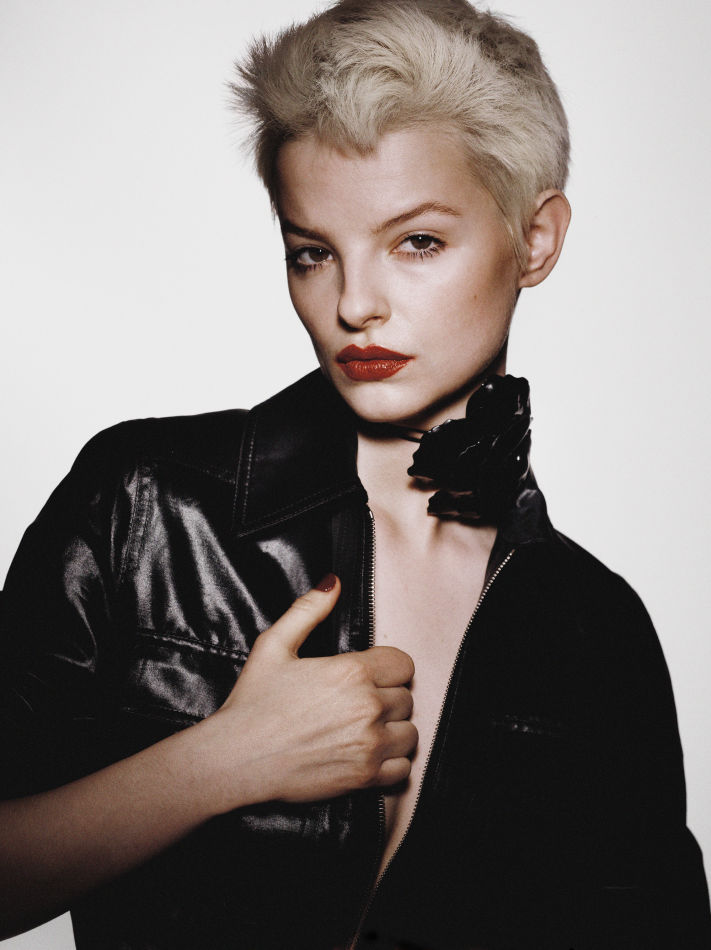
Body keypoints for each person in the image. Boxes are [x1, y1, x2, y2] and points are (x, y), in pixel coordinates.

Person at [0, 1, 709, 948]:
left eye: (417, 242)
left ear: (535, 240)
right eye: (312, 253)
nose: (354, 304)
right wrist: (223, 762)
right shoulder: (145, 506)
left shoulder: (593, 628)